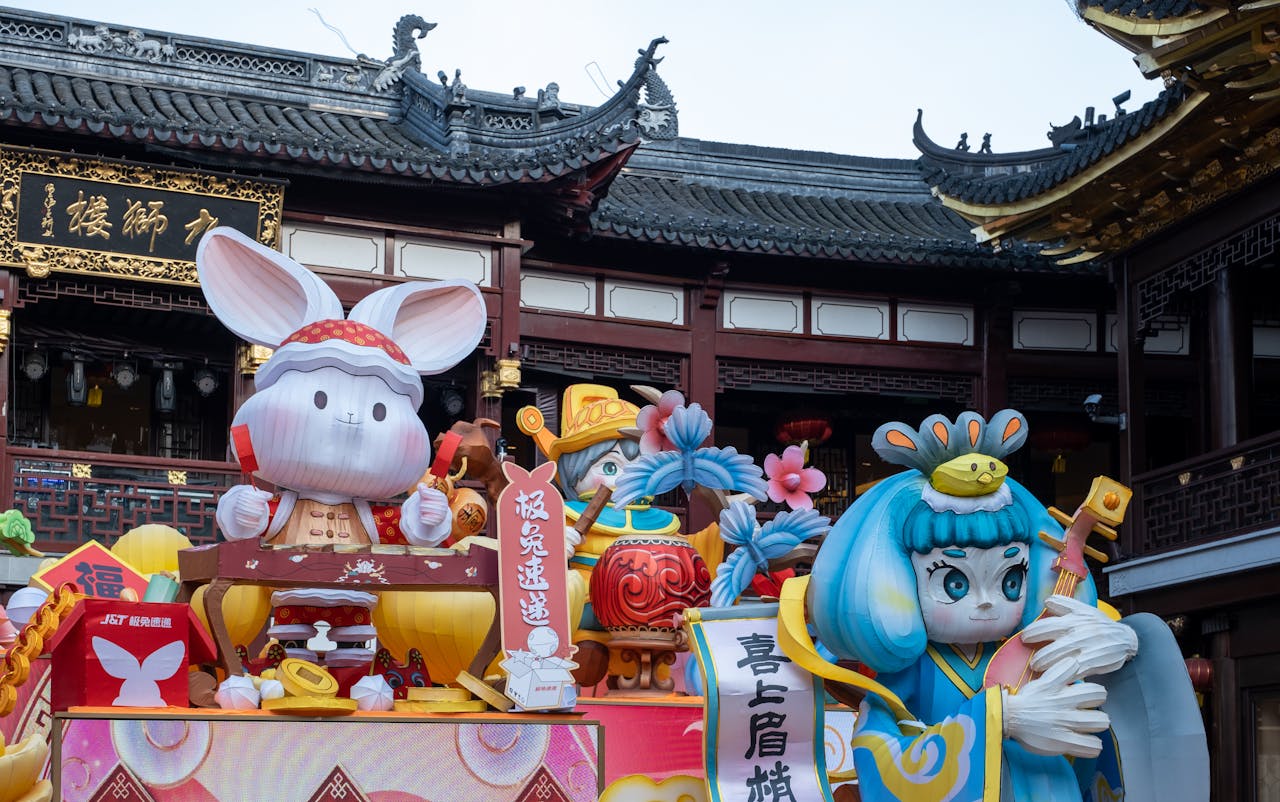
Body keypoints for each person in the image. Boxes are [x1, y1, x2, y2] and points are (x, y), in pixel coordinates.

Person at [806, 410, 1133, 801]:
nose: (985, 602)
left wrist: (1122, 656)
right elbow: (879, 751)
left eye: (1011, 581)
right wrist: (996, 718)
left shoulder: (1029, 653)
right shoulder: (917, 668)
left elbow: (1088, 728)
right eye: (954, 582)